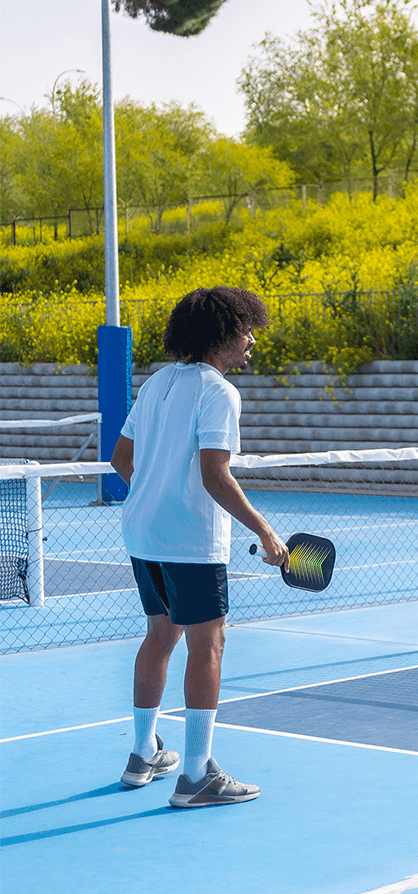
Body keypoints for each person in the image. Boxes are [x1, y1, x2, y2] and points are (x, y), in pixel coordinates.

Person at [111, 287, 288, 808]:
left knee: (159, 636)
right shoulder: (220, 392)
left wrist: (156, 491)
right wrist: (265, 531)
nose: (252, 339)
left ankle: (143, 753)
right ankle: (195, 776)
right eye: (244, 330)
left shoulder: (157, 383)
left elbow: (123, 457)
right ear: (221, 335)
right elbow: (216, 475)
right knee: (207, 645)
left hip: (142, 532)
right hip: (191, 540)